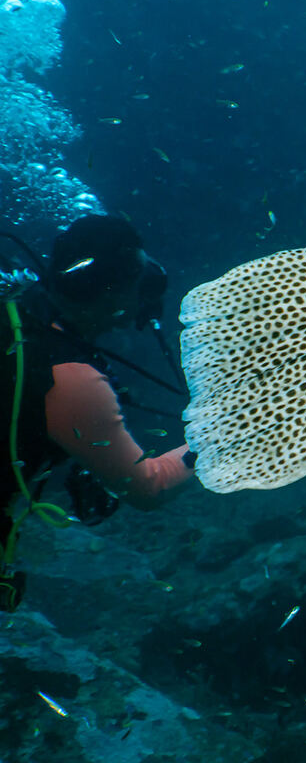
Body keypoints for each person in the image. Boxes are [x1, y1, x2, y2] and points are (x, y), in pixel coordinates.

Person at [1, 215, 193, 611]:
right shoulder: (68, 378)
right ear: (112, 294)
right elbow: (148, 486)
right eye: (138, 281)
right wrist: (221, 437)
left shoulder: (17, 304)